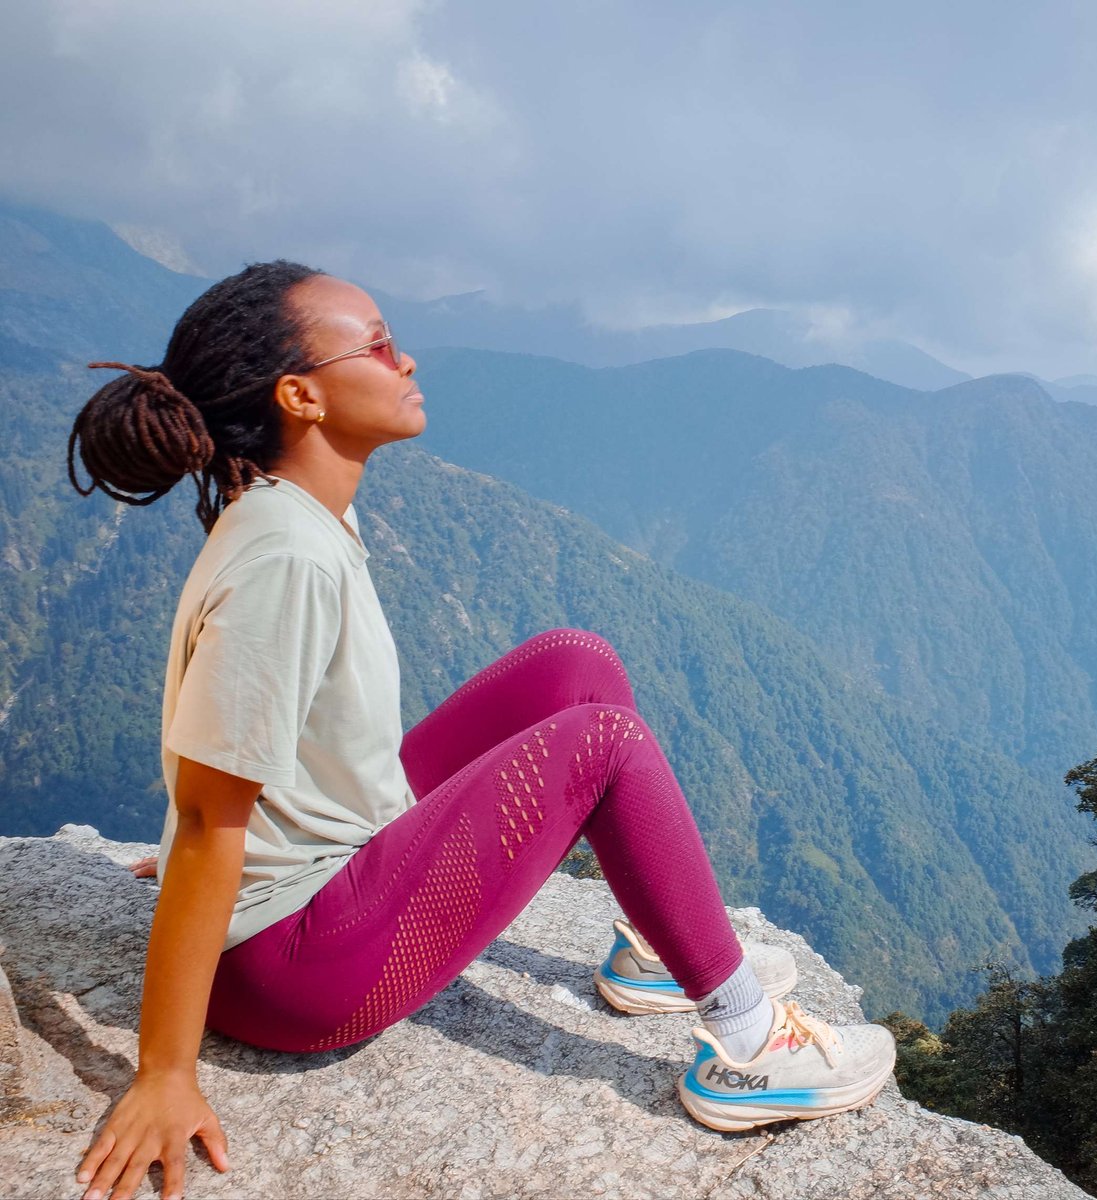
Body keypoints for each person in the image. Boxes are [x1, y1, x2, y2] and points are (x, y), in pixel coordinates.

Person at [66, 261, 896, 1200]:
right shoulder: (287, 557)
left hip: (329, 866)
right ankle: (751, 1041)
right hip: (291, 970)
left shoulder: (295, 516)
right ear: (300, 395)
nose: (405, 356)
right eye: (377, 344)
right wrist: (165, 1074)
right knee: (604, 744)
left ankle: (671, 941)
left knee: (572, 665)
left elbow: (232, 761)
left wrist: (212, 844)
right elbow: (218, 811)